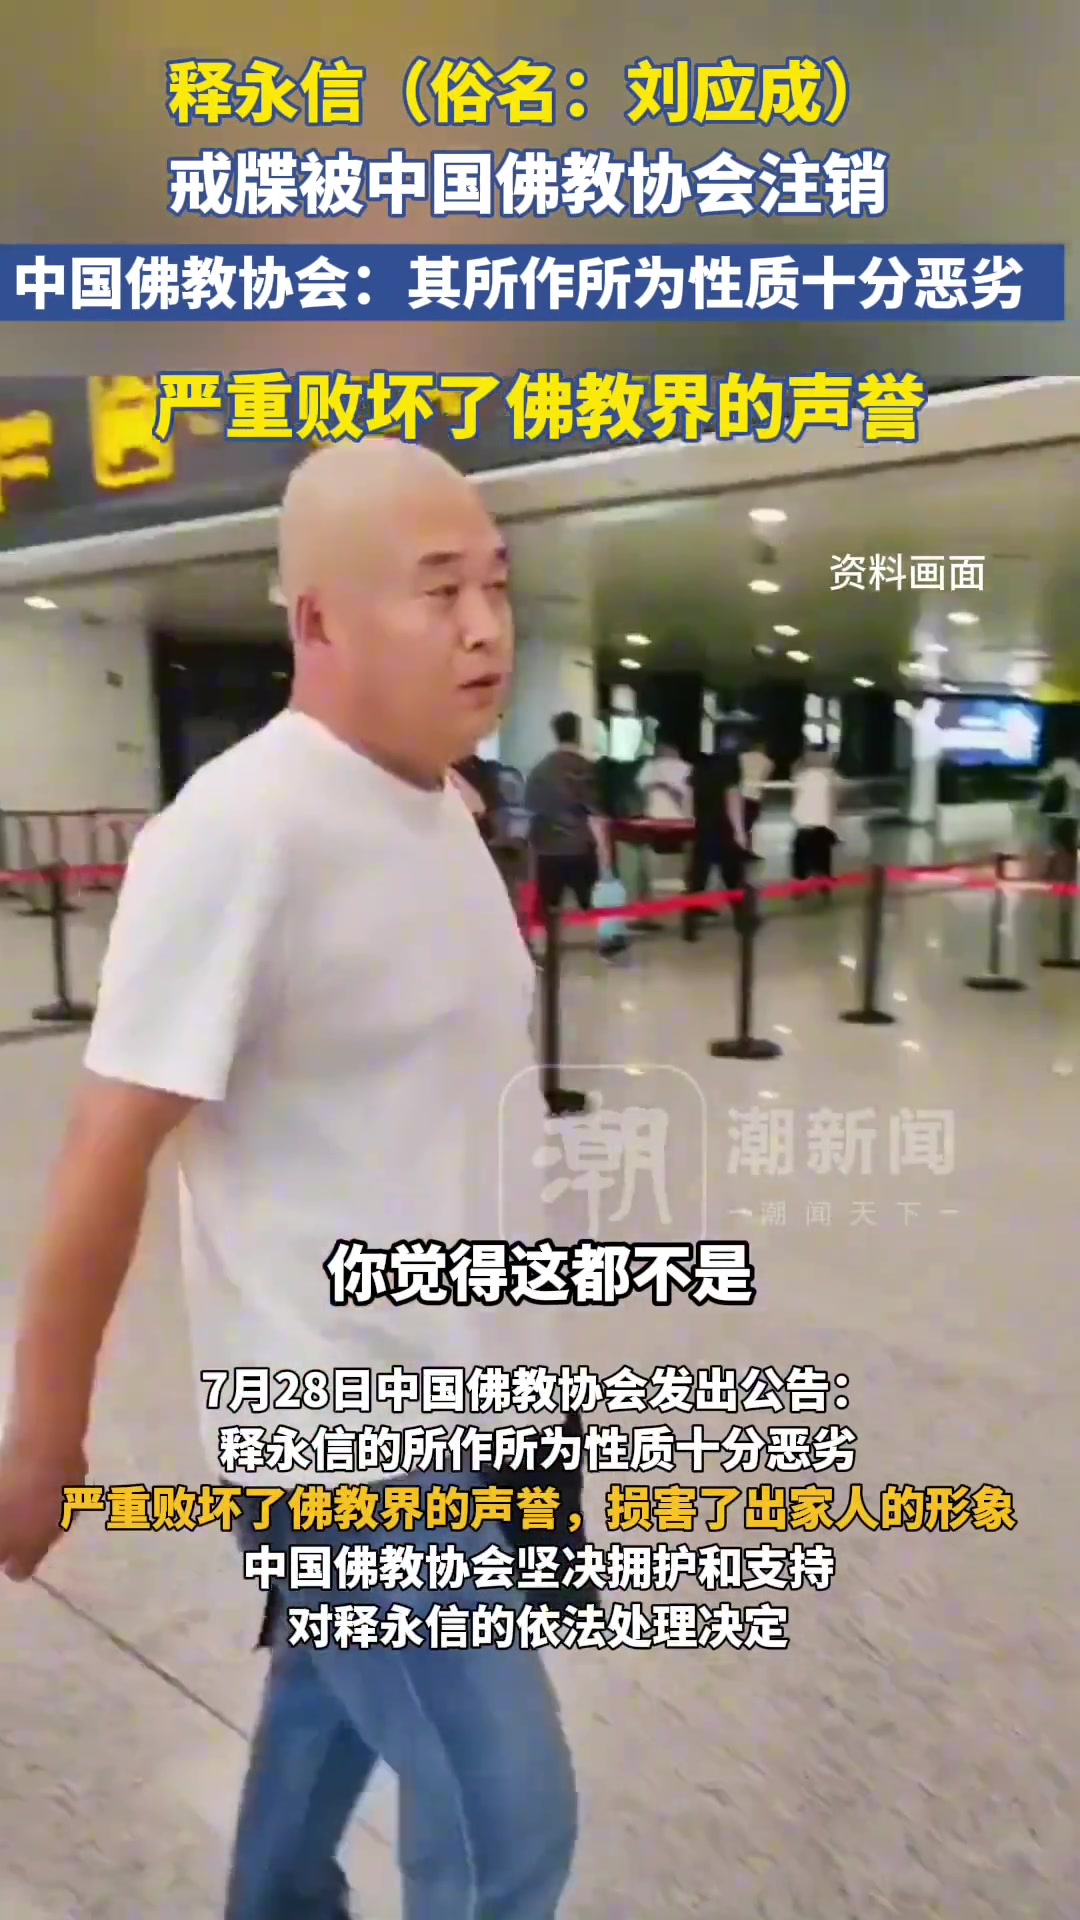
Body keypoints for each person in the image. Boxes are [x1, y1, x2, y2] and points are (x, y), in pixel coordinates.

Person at [0, 438, 578, 1920]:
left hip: (476, 1397)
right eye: (437, 591)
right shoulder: (238, 830)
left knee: (327, 1715)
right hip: (344, 1437)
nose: (484, 628)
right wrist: (42, 1435)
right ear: (317, 619)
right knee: (505, 1825)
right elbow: (105, 1146)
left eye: (496, 586)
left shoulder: (445, 807)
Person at [524, 711, 611, 915]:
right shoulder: (587, 768)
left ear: (555, 733)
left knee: (549, 908)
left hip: (547, 846)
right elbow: (596, 811)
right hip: (580, 845)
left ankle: (552, 936)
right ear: (577, 733)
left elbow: (530, 807)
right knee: (587, 904)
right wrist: (604, 849)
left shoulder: (540, 769)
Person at [682, 737, 748, 941]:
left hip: (702, 827)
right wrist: (739, 831)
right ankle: (743, 921)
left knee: (697, 879)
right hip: (723, 827)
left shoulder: (698, 768)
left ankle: (689, 926)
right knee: (733, 877)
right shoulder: (730, 767)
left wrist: (690, 821)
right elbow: (733, 799)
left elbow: (688, 799)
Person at [790, 747, 840, 893]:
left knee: (800, 853)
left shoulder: (802, 775)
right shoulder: (831, 776)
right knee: (823, 854)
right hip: (822, 824)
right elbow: (835, 799)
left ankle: (800, 881)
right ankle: (824, 880)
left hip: (804, 824)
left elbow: (796, 796)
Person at [739, 736, 773, 857]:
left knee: (740, 824)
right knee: (749, 825)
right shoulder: (768, 762)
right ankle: (747, 850)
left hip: (740, 794)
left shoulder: (741, 758)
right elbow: (764, 781)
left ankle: (740, 849)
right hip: (754, 796)